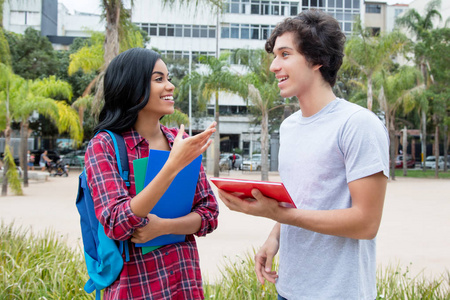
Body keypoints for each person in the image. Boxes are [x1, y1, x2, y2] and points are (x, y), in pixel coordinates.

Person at [217, 10, 389, 300]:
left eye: (285, 54)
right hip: (289, 288)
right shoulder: (289, 127)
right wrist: (274, 236)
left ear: (317, 59)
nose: (273, 66)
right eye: (274, 55)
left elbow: (366, 223)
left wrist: (279, 214)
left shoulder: (358, 124)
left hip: (340, 293)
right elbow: (302, 201)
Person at [84, 48, 219, 299]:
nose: (170, 86)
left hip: (183, 283)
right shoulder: (104, 145)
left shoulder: (180, 141)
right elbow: (116, 222)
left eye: (168, 78)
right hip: (135, 287)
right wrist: (172, 165)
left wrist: (163, 227)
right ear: (131, 87)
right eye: (159, 79)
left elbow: (209, 214)